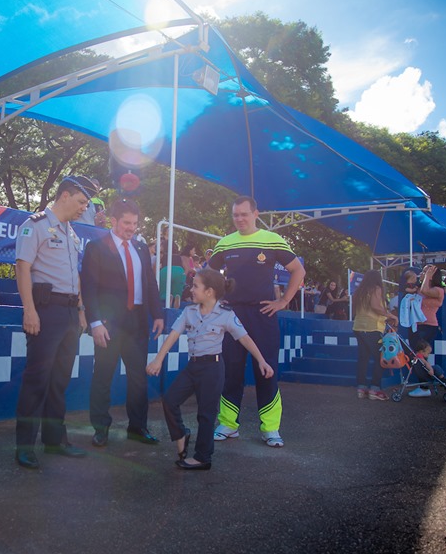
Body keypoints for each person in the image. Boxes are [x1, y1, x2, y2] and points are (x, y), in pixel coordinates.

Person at [146, 269, 273, 470]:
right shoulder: (189, 311)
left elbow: (245, 338)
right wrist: (158, 360)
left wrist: (262, 361)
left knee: (206, 414)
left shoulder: (226, 315)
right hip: (193, 366)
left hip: (213, 369)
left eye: (196, 286)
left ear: (209, 291)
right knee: (170, 400)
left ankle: (203, 457)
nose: (191, 289)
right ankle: (181, 434)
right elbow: (173, 335)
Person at [14, 174, 98, 469]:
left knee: (60, 380)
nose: (83, 209)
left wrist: (82, 311)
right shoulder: (34, 225)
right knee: (36, 380)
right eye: (80, 202)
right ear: (64, 195)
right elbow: (22, 268)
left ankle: (54, 440)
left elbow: (75, 277)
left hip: (69, 314)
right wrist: (29, 310)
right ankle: (24, 446)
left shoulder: (71, 233)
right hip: (45, 310)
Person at [208, 196, 305, 447]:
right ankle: (228, 424)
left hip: (263, 315)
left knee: (266, 369)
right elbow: (208, 275)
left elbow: (299, 271)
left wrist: (283, 301)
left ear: (255, 214)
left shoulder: (272, 239)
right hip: (232, 316)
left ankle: (270, 428)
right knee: (231, 370)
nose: (240, 219)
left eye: (244, 214)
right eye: (235, 215)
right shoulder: (224, 244)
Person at [81, 199, 164, 447]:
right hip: (108, 323)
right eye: (127, 223)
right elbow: (89, 287)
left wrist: (158, 314)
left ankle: (137, 428)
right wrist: (94, 322)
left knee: (138, 378)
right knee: (103, 376)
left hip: (137, 323)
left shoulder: (140, 248)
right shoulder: (96, 247)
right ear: (113, 221)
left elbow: (150, 284)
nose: (132, 228)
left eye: (135, 224)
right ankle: (101, 429)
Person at [352, 270, 398, 400]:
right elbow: (375, 307)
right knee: (381, 358)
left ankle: (361, 387)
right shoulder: (376, 288)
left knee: (363, 358)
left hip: (359, 327)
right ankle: (375, 388)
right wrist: (390, 315)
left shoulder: (360, 291)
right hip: (372, 327)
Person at [413, 264, 444, 349]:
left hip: (428, 325)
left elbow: (425, 291)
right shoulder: (418, 288)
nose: (422, 274)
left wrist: (427, 277)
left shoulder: (438, 290)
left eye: (425, 272)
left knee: (421, 352)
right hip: (416, 324)